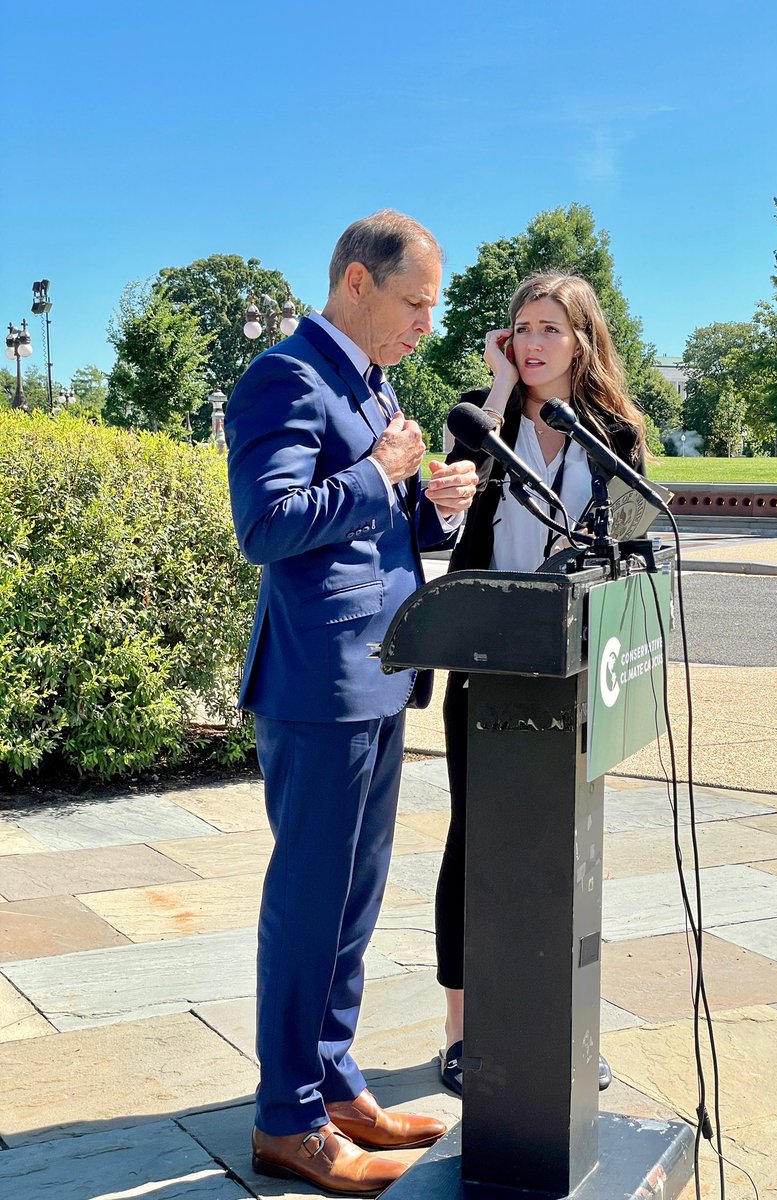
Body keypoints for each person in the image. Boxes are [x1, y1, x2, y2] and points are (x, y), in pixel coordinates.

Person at [226, 210, 479, 1195]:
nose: (425, 322)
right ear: (357, 284)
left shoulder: (374, 385)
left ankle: (333, 1086)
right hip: (317, 684)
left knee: (355, 900)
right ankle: (287, 1119)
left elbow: (372, 521)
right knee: (310, 902)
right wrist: (382, 476)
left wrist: (431, 505)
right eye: (415, 302)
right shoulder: (286, 377)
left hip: (378, 676)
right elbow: (270, 523)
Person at [434, 272, 648, 1096]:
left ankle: (565, 1027)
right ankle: (461, 1031)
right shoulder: (482, 421)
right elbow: (451, 515)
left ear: (583, 340)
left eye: (549, 328)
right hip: (486, 667)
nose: (530, 342)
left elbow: (625, 548)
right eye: (519, 327)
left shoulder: (613, 434)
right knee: (474, 842)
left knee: (567, 851)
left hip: (576, 671)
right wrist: (493, 386)